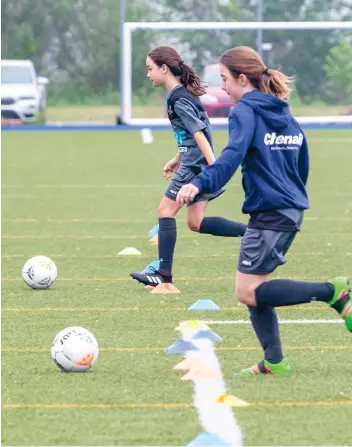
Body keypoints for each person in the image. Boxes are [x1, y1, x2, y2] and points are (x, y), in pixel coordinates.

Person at [176, 45, 352, 374]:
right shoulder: (282, 110)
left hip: (272, 211)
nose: (223, 87)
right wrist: (292, 192)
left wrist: (199, 184)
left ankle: (334, 292)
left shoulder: (245, 111)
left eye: (226, 79)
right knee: (254, 288)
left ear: (243, 79)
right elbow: (302, 157)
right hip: (287, 208)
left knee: (248, 291)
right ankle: (274, 361)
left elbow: (231, 157)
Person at [130, 46, 246, 291]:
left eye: (150, 69)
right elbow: (190, 135)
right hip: (194, 163)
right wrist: (177, 158)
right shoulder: (182, 95)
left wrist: (215, 168)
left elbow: (199, 133)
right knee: (196, 222)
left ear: (164, 68)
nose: (148, 74)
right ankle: (253, 232)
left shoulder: (178, 98)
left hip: (196, 168)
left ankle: (163, 275)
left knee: (165, 211)